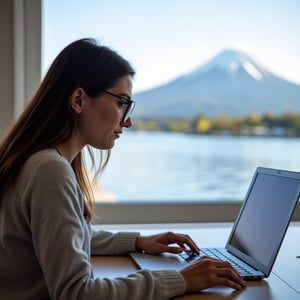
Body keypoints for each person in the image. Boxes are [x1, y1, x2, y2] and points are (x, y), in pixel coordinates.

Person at [0, 38, 246, 300]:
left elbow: (66, 240)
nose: (127, 121)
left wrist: (139, 242)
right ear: (79, 100)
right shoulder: (50, 171)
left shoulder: (39, 161)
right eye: (121, 102)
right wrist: (181, 279)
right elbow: (76, 293)